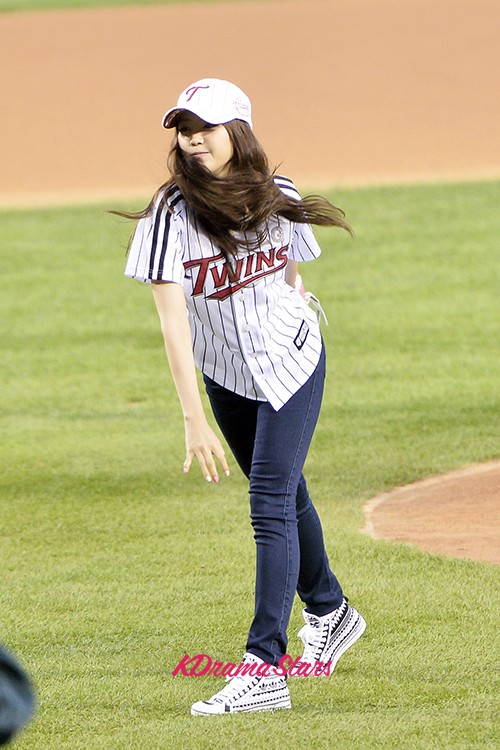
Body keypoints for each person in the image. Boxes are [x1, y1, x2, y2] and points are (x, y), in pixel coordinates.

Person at [122, 78, 366, 715]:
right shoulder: (169, 216)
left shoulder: (279, 197)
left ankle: (264, 667)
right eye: (183, 127)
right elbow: (173, 322)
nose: (193, 138)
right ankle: (332, 610)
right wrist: (191, 419)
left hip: (292, 359)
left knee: (268, 498)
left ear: (239, 130)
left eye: (205, 125)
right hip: (226, 375)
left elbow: (292, 271)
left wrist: (285, 321)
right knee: (288, 490)